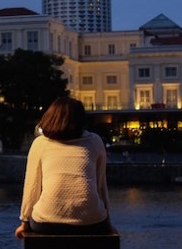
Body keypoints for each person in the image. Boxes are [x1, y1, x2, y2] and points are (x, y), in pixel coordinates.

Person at [15, 96, 111, 238]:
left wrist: (24, 221)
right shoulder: (94, 141)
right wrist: (107, 219)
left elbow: (32, 187)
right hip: (91, 222)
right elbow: (100, 185)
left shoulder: (40, 143)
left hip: (47, 221)